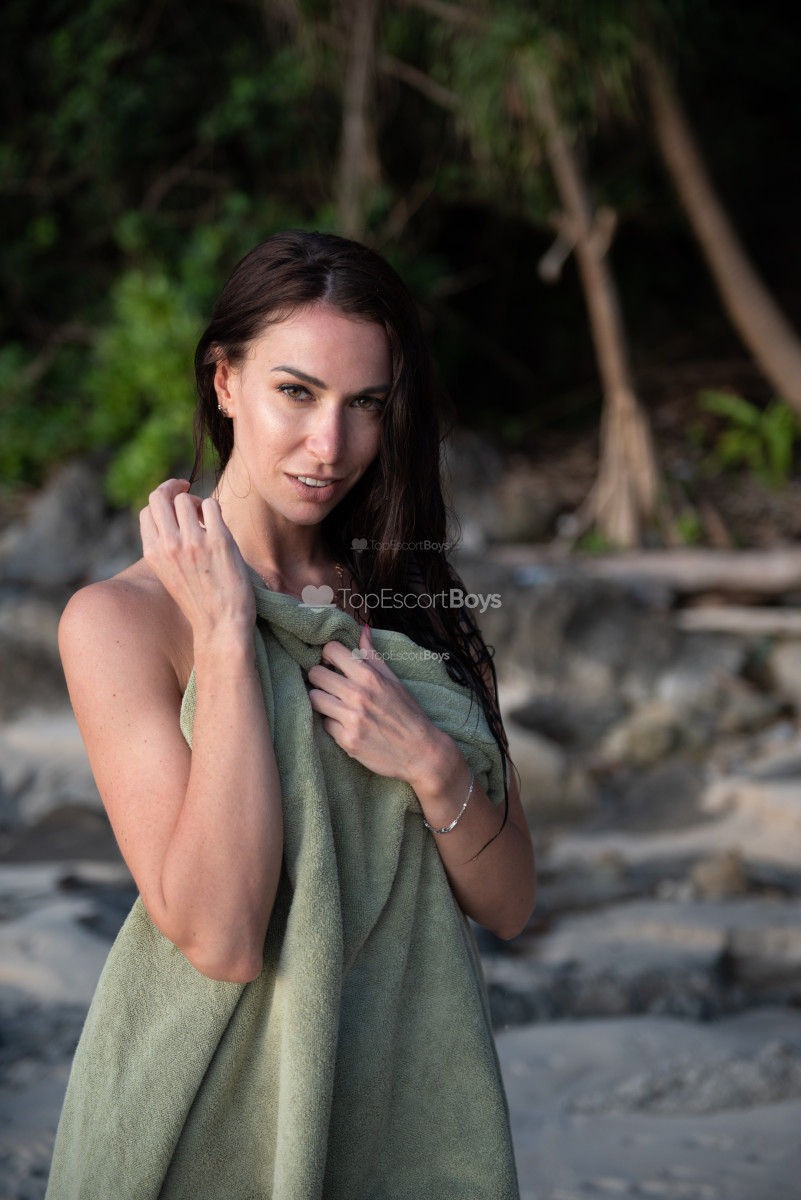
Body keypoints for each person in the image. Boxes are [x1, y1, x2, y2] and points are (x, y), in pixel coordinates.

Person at [46, 230, 536, 1200]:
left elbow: (512, 902)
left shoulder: (407, 602)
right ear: (225, 382)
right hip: (202, 1122)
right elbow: (223, 937)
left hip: (402, 1108)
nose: (331, 446)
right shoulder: (120, 622)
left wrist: (431, 764)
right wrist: (228, 633)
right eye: (297, 392)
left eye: (365, 405)